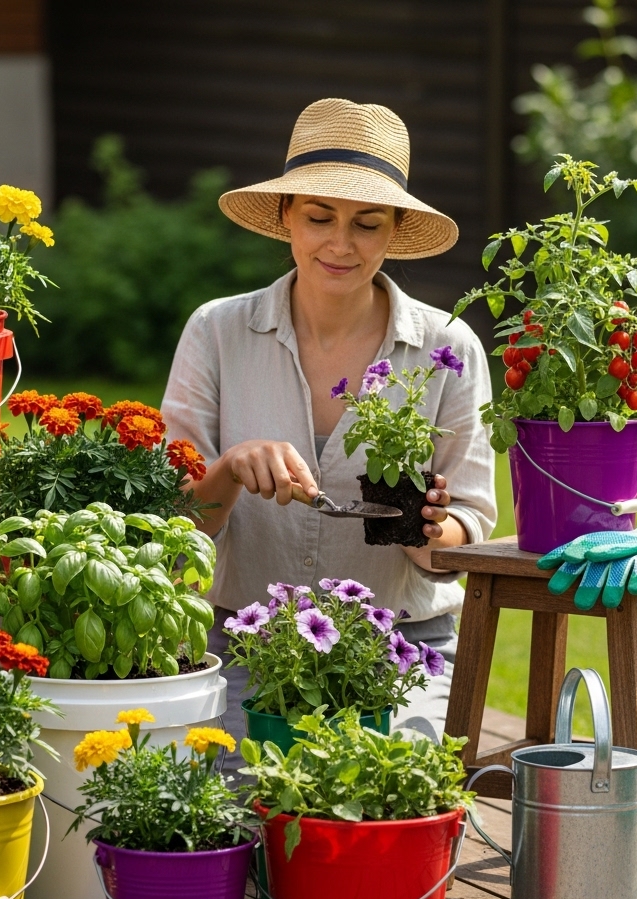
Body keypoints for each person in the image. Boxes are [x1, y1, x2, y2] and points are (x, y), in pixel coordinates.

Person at [161, 98, 496, 746]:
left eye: (367, 224)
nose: (341, 244)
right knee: (237, 820)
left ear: (395, 229)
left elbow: (468, 534)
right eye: (319, 217)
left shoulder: (446, 349)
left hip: (400, 651)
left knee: (389, 815)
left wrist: (429, 527)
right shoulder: (218, 331)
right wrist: (229, 470)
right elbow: (174, 527)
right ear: (287, 216)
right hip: (242, 645)